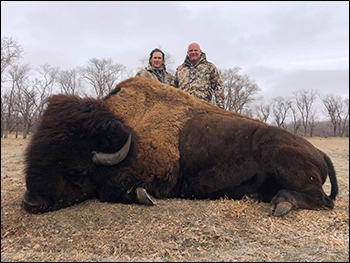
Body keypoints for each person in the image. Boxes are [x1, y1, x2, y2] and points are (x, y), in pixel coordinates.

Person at [173, 42, 225, 109]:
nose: (193, 52)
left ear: (200, 52)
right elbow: (173, 88)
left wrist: (220, 106)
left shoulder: (209, 67)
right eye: (191, 51)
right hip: (184, 108)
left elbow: (218, 86)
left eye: (195, 50)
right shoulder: (181, 69)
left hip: (203, 108)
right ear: (187, 53)